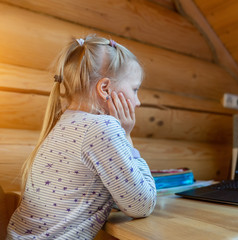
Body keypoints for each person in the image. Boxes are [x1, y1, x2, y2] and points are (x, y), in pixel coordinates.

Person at [7, 35, 157, 239]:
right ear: (105, 89)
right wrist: (127, 137)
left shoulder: (63, 123)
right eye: (135, 89)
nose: (138, 102)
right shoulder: (102, 128)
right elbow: (142, 204)